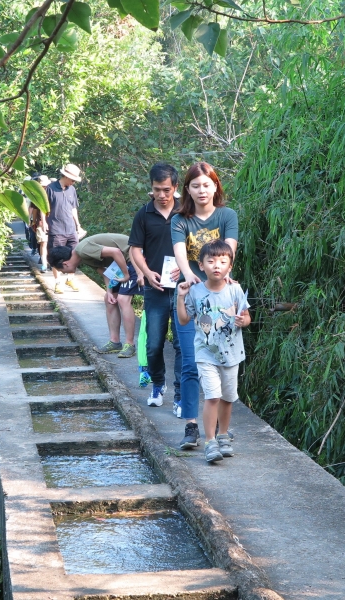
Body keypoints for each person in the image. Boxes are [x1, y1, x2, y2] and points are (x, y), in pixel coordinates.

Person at [171, 162, 238, 449]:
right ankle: (191, 425)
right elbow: (180, 255)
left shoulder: (227, 215)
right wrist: (189, 278)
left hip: (221, 293)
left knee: (224, 361)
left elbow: (229, 250)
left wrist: (222, 273)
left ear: (215, 186)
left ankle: (221, 431)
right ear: (187, 189)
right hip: (192, 292)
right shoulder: (180, 219)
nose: (201, 190)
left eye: (206, 184)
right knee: (189, 362)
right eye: (195, 185)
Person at [176, 239, 251, 463]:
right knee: (213, 396)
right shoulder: (195, 291)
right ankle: (210, 441)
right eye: (211, 261)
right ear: (201, 265)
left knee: (228, 398)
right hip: (205, 353)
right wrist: (180, 296)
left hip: (232, 354)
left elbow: (247, 317)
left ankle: (223, 434)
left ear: (230, 266)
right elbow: (183, 320)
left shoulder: (236, 290)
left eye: (222, 261)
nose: (216, 265)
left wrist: (242, 321)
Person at [129, 163, 182, 414]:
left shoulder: (186, 212)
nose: (161, 195)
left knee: (183, 344)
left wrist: (187, 267)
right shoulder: (144, 214)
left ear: (176, 187)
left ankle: (181, 393)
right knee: (153, 343)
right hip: (155, 287)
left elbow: (198, 248)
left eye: (166, 190)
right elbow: (134, 249)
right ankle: (158, 385)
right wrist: (146, 272)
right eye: (156, 190)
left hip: (183, 289)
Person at [48, 233, 143, 358]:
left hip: (135, 256)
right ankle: (115, 342)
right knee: (110, 299)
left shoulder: (83, 250)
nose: (64, 273)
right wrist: (109, 291)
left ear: (65, 264)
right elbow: (105, 272)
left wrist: (126, 274)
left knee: (122, 299)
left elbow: (116, 252)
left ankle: (129, 345)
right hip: (123, 263)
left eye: (61, 271)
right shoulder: (82, 257)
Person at [46, 163, 83, 294]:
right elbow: (44, 208)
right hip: (56, 228)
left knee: (75, 254)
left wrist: (78, 225)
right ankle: (58, 282)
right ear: (65, 176)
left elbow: (73, 208)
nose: (73, 182)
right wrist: (44, 223)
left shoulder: (72, 190)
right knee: (56, 256)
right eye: (72, 179)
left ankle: (70, 278)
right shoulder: (50, 188)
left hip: (71, 228)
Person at [32, 175, 51, 272]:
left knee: (51, 244)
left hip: (53, 222)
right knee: (43, 243)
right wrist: (34, 222)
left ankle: (51, 262)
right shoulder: (36, 196)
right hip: (40, 223)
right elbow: (34, 210)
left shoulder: (51, 193)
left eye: (45, 186)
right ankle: (44, 264)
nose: (44, 187)